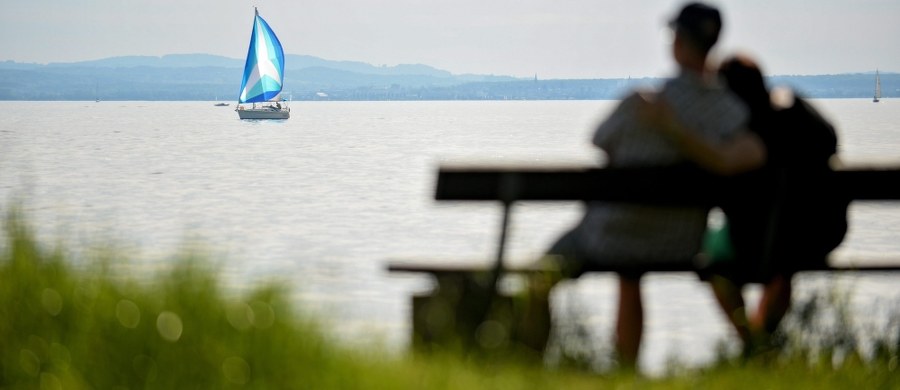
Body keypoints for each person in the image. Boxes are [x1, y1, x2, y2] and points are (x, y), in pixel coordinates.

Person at [520, 2, 765, 369]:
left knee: (542, 274)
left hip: (610, 236)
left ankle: (531, 363)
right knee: (630, 263)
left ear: (677, 44)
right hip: (682, 241)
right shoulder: (733, 113)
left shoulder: (640, 104)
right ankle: (753, 354)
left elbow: (599, 140)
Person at [668, 55, 847, 356]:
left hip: (763, 241)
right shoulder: (800, 116)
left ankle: (751, 343)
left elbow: (721, 169)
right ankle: (761, 341)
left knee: (713, 261)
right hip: (820, 233)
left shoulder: (748, 131)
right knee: (784, 259)